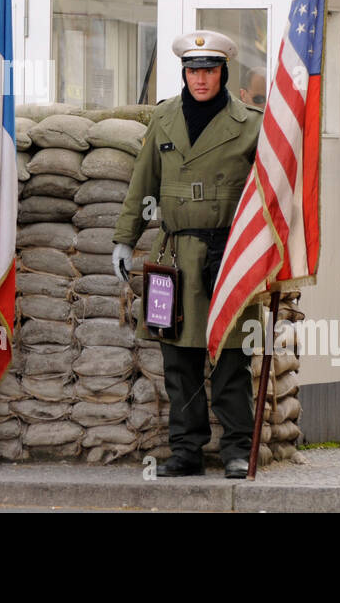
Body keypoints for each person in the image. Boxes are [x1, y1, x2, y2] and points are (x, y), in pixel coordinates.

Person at [111, 31, 262, 479]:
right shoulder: (165, 119)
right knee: (178, 360)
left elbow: (274, 193)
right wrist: (125, 237)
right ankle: (186, 450)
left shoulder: (250, 123)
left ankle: (237, 448)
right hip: (173, 255)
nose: (201, 79)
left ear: (224, 73)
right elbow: (143, 183)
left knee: (232, 357)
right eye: (193, 70)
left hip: (229, 255)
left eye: (209, 70)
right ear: (184, 73)